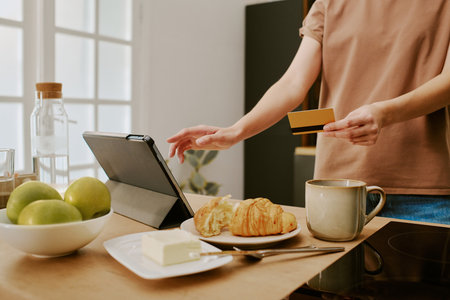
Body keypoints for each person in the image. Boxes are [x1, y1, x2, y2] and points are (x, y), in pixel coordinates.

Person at [167, 0, 450, 224]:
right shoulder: (329, 2)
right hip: (336, 185)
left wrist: (384, 113)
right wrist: (235, 131)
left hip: (425, 191)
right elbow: (293, 83)